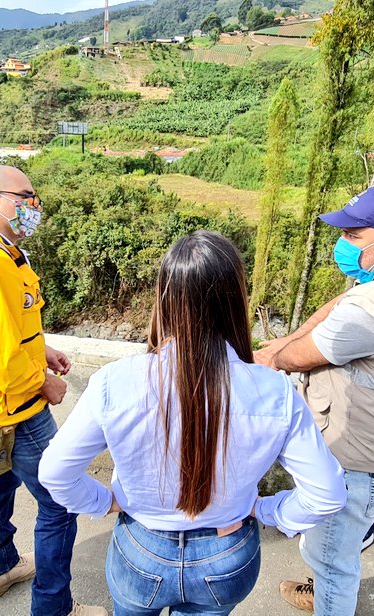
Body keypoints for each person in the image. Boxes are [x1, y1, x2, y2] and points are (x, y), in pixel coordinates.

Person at [39, 231, 348, 616]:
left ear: (164, 298)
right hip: (227, 553)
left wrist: (104, 501)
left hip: (142, 549)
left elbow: (54, 472)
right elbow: (328, 494)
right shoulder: (274, 391)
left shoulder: (115, 381)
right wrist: (267, 511)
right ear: (236, 299)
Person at [255, 185, 374, 615]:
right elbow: (343, 302)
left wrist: (270, 356)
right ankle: (322, 596)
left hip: (358, 456)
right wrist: (283, 343)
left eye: (354, 235)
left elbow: (305, 355)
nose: (341, 244)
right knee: (336, 548)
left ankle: (328, 603)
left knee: (332, 561)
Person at [0, 165, 104, 616]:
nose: (34, 206)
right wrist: (43, 381)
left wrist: (42, 349)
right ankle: (54, 608)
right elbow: (0, 360)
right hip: (11, 403)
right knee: (59, 500)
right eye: (25, 197)